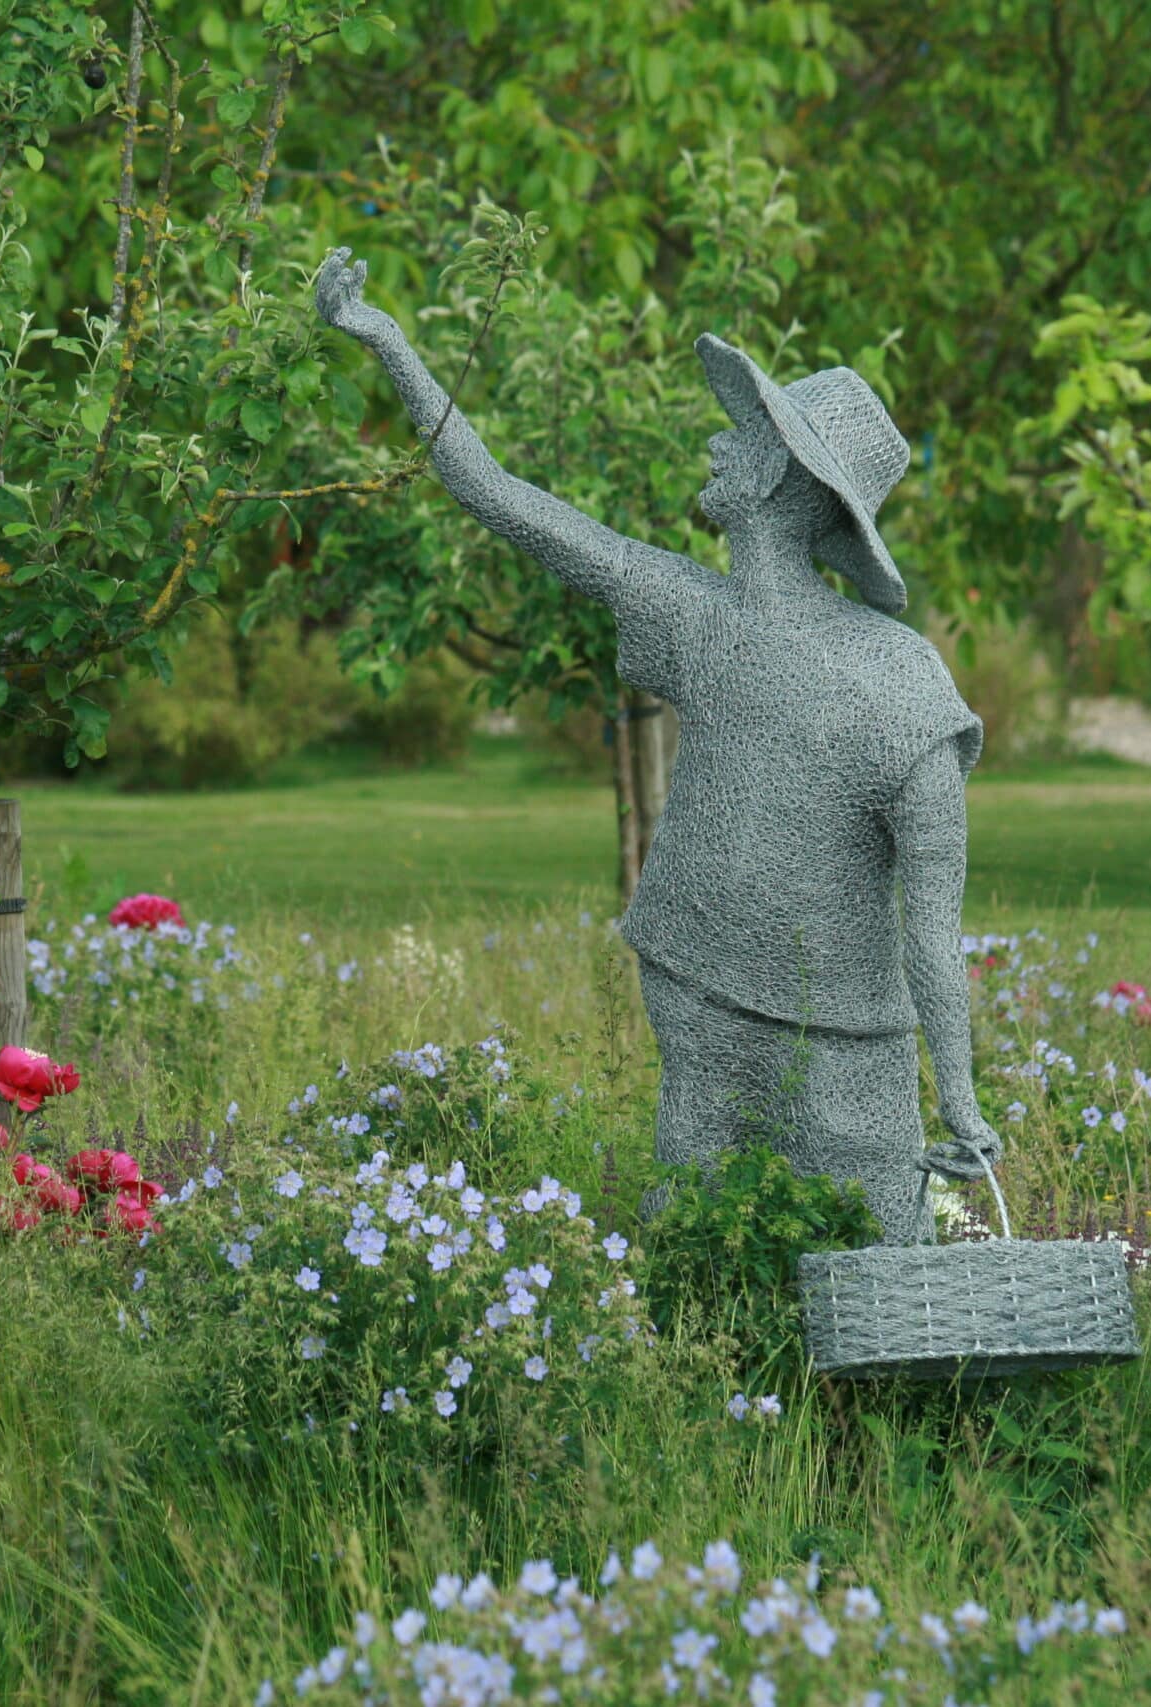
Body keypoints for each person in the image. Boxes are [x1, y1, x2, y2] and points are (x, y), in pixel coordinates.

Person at [314, 247, 997, 1246]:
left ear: (779, 471)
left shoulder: (901, 683)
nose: (717, 442)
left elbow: (934, 922)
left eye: (744, 431)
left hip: (846, 1033)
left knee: (873, 1249)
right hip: (699, 981)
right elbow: (498, 493)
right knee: (695, 1227)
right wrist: (389, 344)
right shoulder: (693, 612)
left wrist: (961, 1102)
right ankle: (691, 1343)